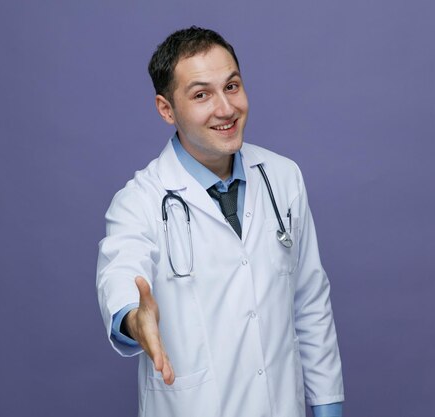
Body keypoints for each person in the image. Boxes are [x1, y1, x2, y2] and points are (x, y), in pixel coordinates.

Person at [96, 26, 344, 417]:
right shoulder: (139, 201)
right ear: (166, 109)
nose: (226, 109)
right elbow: (121, 271)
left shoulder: (283, 176)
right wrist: (133, 317)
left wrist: (328, 407)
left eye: (232, 86)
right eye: (201, 95)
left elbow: (309, 301)